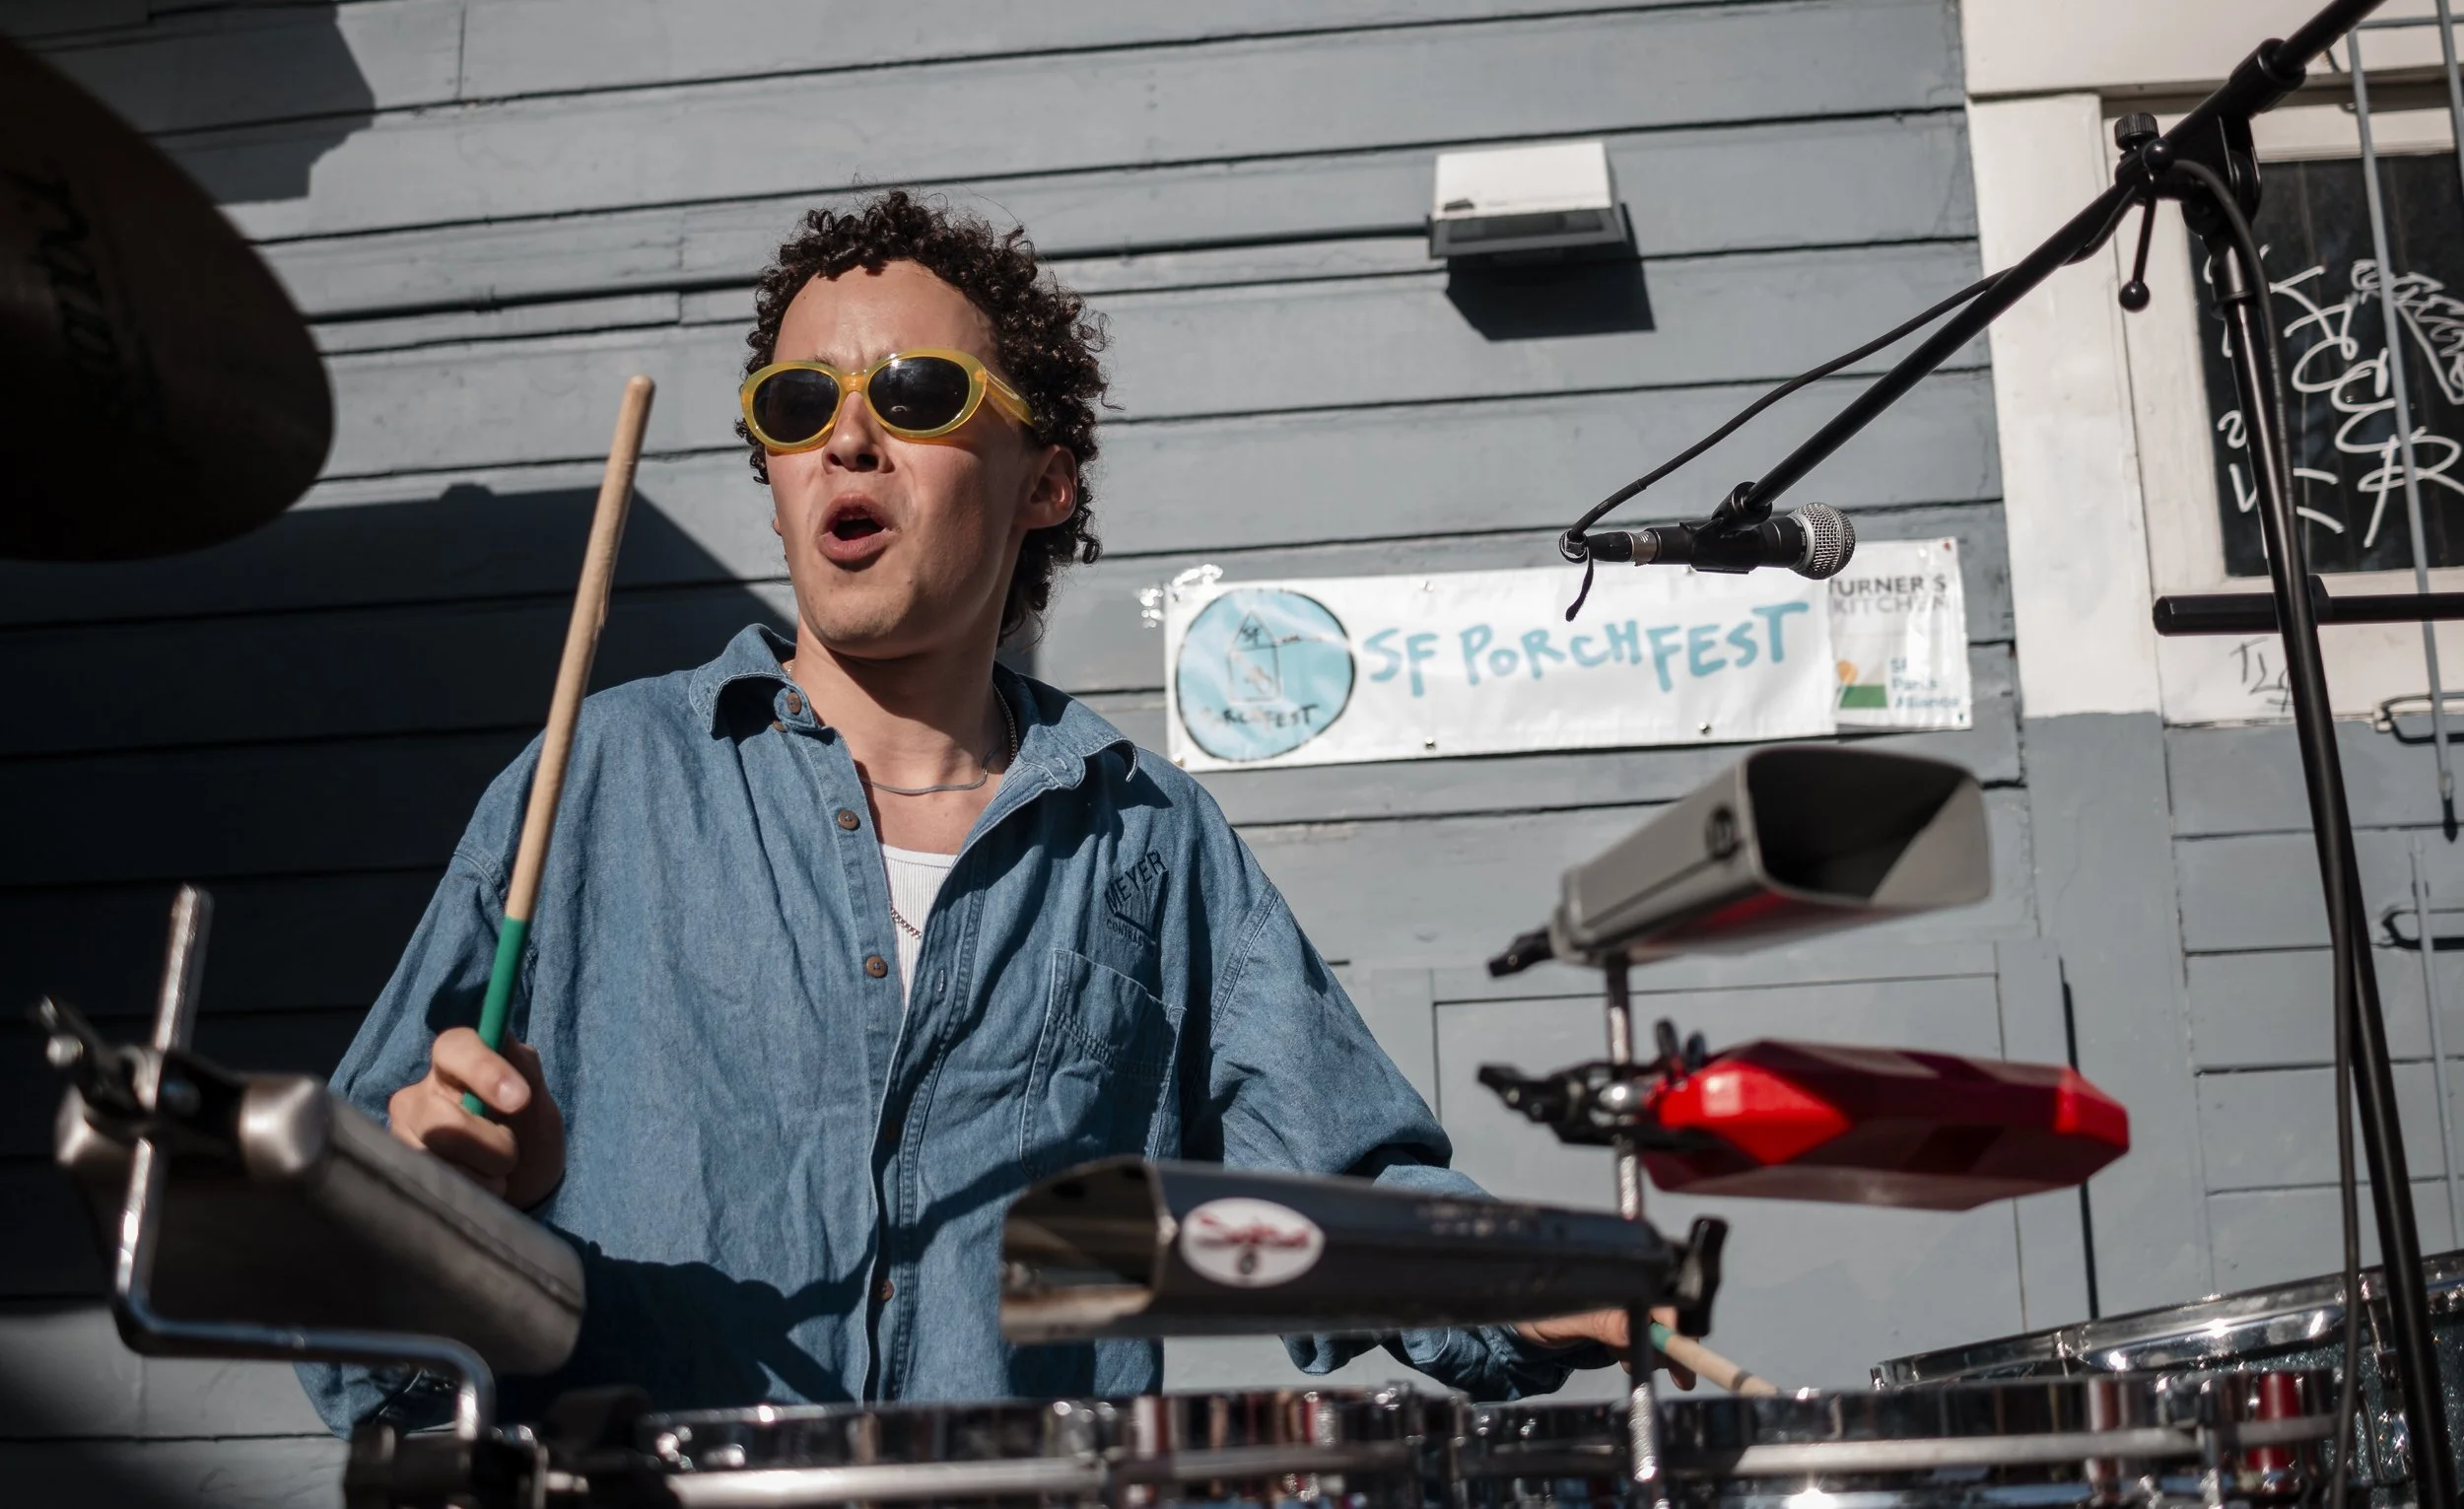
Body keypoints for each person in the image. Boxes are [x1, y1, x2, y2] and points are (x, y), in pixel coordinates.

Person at [304, 191, 1643, 1433]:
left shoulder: (1145, 839)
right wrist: (455, 1204)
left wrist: (1571, 1278)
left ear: (1044, 484)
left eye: (916, 391)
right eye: (796, 400)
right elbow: (338, 1304)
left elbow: (1355, 1198)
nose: (845, 435)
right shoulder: (596, 778)